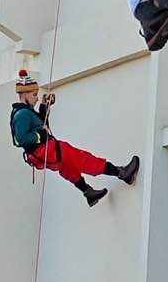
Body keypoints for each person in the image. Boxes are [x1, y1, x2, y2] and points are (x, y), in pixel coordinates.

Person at [10, 70, 140, 207]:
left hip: (41, 155)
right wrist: (39, 136)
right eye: (34, 95)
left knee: (67, 168)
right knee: (82, 159)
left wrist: (44, 106)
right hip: (47, 150)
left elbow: (40, 124)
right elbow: (22, 137)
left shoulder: (25, 112)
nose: (36, 98)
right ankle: (122, 173)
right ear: (24, 95)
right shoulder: (22, 114)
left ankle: (88, 192)